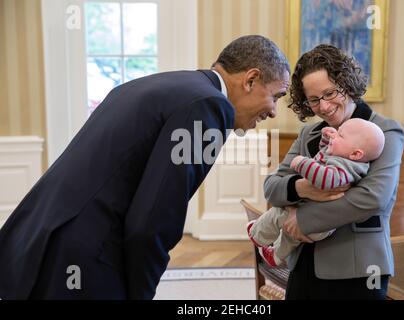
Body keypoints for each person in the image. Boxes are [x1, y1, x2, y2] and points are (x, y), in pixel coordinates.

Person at [0, 35, 290, 300]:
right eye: (276, 96)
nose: (274, 111)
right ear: (251, 79)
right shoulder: (210, 106)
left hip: (39, 236)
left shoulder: (157, 85)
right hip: (86, 255)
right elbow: (153, 220)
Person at [264, 44, 404, 300]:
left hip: (360, 269)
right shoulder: (309, 133)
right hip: (304, 265)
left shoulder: (385, 132)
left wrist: (302, 219)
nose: (325, 106)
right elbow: (271, 187)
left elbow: (373, 198)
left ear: (347, 84)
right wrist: (301, 188)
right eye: (314, 99)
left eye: (330, 93)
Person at [248, 118, 385, 267]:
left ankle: (257, 235)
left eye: (340, 136)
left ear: (356, 154)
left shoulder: (346, 167)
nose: (334, 136)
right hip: (317, 224)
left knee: (278, 213)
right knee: (290, 236)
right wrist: (327, 140)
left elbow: (326, 178)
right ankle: (276, 255)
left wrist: (302, 163)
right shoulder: (343, 155)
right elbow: (323, 155)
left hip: (318, 222)